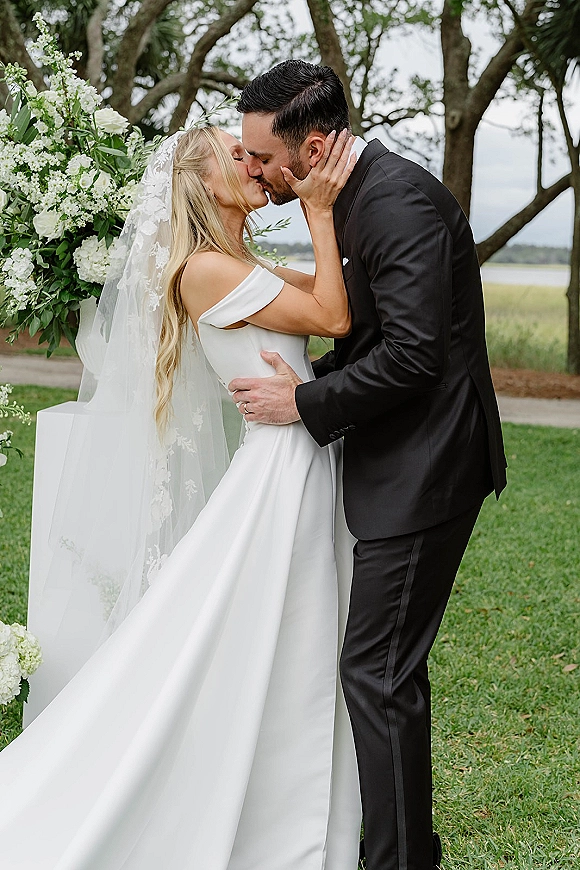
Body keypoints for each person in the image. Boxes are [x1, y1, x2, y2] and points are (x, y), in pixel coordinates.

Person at [0, 126, 363, 868]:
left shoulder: (240, 264)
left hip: (298, 461)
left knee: (292, 641)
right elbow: (333, 315)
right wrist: (319, 212)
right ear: (199, 183)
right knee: (262, 640)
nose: (256, 164)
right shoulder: (202, 270)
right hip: (276, 474)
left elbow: (339, 295)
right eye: (240, 156)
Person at [232, 61, 508, 870]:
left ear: (312, 149)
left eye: (260, 159)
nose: (251, 171)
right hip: (397, 461)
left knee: (378, 673)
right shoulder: (346, 199)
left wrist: (305, 405)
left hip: (427, 471)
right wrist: (319, 373)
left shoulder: (396, 203)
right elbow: (370, 332)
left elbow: (418, 356)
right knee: (380, 669)